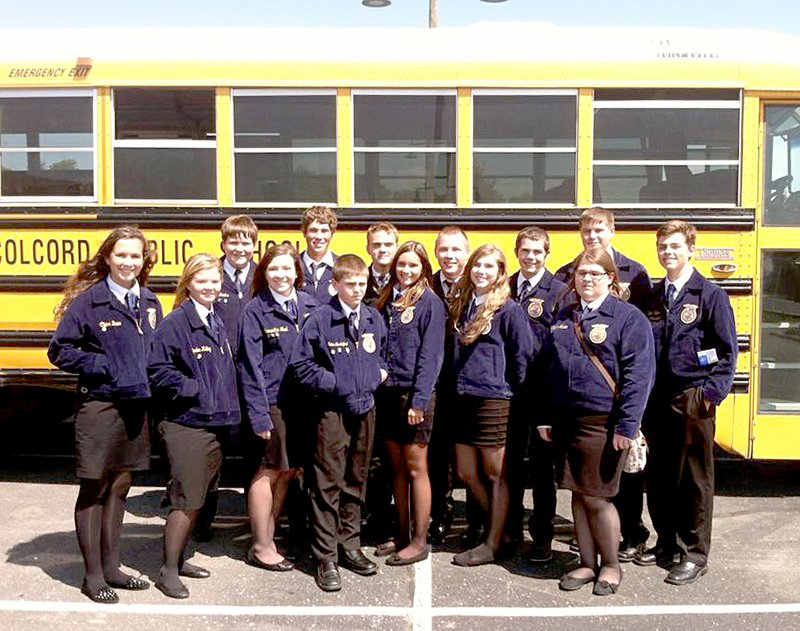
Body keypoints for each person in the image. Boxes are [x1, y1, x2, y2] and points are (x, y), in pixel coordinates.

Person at [48, 226, 162, 604]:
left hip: (136, 407)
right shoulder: (90, 302)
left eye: (136, 256)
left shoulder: (149, 301)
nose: (129, 262)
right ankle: (93, 576)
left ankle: (113, 567)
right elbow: (60, 350)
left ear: (144, 260)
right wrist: (105, 364)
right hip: (100, 406)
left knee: (121, 486)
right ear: (108, 258)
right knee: (94, 487)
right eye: (122, 255)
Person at [539, 249, 655, 596]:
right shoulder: (564, 317)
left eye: (594, 273)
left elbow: (639, 375)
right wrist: (545, 416)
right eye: (580, 273)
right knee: (576, 494)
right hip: (567, 422)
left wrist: (627, 425)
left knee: (599, 498)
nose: (587, 279)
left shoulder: (627, 318)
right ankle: (586, 563)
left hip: (604, 424)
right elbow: (549, 371)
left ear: (610, 278)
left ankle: (611, 566)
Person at [635, 220, 737, 585]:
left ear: (691, 248)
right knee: (660, 475)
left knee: (694, 478)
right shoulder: (653, 297)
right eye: (663, 246)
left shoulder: (709, 295)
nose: (668, 252)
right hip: (657, 398)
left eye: (675, 246)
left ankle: (694, 552)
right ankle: (665, 542)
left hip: (692, 396)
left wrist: (709, 395)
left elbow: (728, 352)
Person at [289, 254, 388, 592]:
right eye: (350, 284)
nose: (357, 290)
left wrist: (380, 373)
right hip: (330, 412)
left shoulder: (373, 319)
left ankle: (350, 544)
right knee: (327, 484)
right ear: (335, 285)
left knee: (356, 480)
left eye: (362, 284)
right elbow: (301, 366)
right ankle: (325, 556)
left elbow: (384, 354)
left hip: (365, 410)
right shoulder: (320, 320)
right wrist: (337, 384)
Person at [148, 254, 241, 599]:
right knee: (186, 498)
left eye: (215, 281)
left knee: (199, 496)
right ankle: (168, 570)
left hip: (213, 422)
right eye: (203, 281)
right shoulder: (176, 323)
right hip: (187, 423)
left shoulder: (213, 318)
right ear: (188, 283)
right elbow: (157, 370)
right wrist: (194, 388)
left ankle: (181, 557)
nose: (210, 287)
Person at [450, 244, 533, 567]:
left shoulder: (508, 310)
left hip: (494, 400)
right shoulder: (464, 305)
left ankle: (493, 542)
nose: (481, 272)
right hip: (462, 397)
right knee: (466, 472)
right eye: (477, 266)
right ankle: (504, 529)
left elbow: (522, 356)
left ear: (500, 273)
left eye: (489, 267)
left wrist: (515, 395)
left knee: (495, 474)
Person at [237, 243, 318, 573]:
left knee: (287, 471)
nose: (281, 275)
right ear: (263, 273)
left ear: (297, 272)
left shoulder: (310, 305)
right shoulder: (255, 311)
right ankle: (261, 544)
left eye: (287, 268)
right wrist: (258, 412)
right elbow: (249, 366)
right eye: (273, 269)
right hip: (272, 403)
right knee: (266, 472)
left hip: (303, 406)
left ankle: (269, 535)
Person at [375, 241, 446, 565]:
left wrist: (419, 402)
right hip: (388, 395)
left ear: (423, 269)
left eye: (413, 265)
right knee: (397, 469)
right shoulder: (387, 298)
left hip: (414, 397)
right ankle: (401, 533)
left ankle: (419, 540)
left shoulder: (430, 303)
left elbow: (431, 357)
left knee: (417, 469)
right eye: (401, 265)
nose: (405, 270)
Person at [194, 214, 258, 541]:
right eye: (233, 240)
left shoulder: (263, 275)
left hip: (253, 379)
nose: (239, 247)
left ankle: (255, 519)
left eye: (246, 240)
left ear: (254, 244)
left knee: (253, 450)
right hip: (217, 377)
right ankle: (202, 519)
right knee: (212, 451)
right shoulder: (211, 275)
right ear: (223, 244)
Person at [505, 226, 567, 563]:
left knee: (544, 471)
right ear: (517, 252)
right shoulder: (506, 286)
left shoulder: (558, 291)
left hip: (542, 394)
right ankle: (511, 530)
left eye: (537, 252)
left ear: (546, 254)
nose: (531, 257)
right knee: (509, 465)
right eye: (525, 250)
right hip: (508, 391)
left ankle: (542, 536)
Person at [428, 226, 472, 543]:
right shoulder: (427, 285)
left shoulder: (477, 285)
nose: (450, 256)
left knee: (471, 459)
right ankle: (440, 516)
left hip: (471, 385)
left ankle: (477, 521)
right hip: (437, 385)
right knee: (437, 455)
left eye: (456, 249)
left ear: (466, 253)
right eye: (444, 249)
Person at [362, 222, 400, 550]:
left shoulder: (408, 280)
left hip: (397, 382)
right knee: (369, 453)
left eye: (388, 244)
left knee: (395, 455)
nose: (382, 249)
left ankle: (394, 520)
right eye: (377, 244)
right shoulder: (361, 282)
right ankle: (373, 515)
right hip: (366, 381)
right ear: (368, 248)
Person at [298, 205, 339, 303]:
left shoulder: (342, 267)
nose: (319, 236)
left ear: (332, 234)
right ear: (304, 232)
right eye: (313, 230)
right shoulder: (293, 266)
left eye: (324, 231)